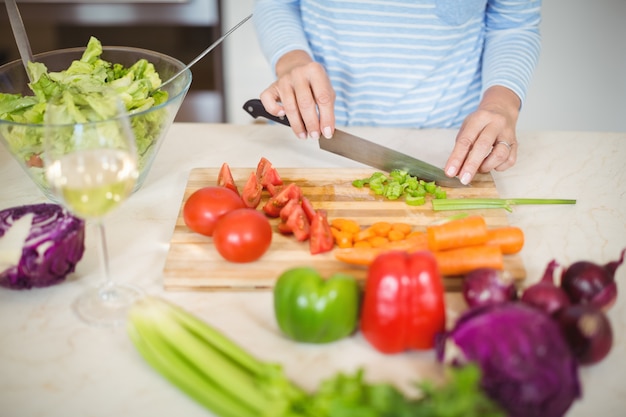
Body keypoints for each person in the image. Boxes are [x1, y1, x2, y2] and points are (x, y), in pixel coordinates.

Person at [253, 0, 542, 185]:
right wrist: (291, 59)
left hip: (451, 143)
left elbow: (514, 24)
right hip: (313, 129)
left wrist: (502, 104)